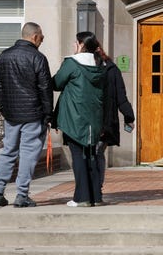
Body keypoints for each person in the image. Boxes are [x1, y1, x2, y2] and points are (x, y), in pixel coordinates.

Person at [0, 22, 53, 208]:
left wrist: (4, 109)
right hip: (33, 114)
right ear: (34, 36)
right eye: (42, 37)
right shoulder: (38, 58)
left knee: (8, 152)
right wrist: (48, 114)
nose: (42, 40)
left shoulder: (5, 56)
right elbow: (45, 88)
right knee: (28, 154)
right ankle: (22, 195)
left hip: (11, 115)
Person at [53, 31, 105, 207]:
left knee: (78, 157)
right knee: (91, 156)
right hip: (94, 119)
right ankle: (95, 197)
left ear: (81, 44)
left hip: (74, 119)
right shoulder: (100, 64)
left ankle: (82, 197)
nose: (74, 45)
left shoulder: (72, 63)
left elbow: (57, 83)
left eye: (76, 42)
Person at [95, 44, 135, 202]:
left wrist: (128, 116)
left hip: (103, 121)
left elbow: (120, 96)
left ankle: (95, 190)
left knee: (96, 154)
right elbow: (122, 97)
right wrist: (129, 117)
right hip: (104, 121)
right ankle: (94, 190)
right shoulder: (111, 68)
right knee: (97, 155)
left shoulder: (111, 70)